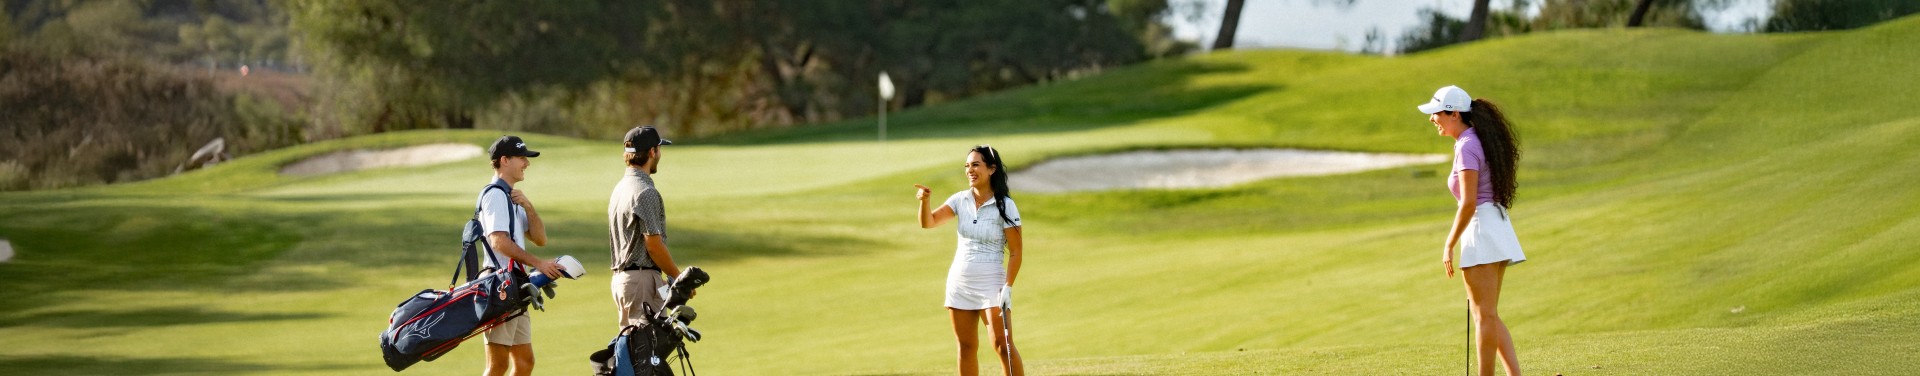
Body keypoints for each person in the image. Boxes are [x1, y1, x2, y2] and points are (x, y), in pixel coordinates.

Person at [1419, 85, 1527, 376]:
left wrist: (1449, 243)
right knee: (1489, 314)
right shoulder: (1475, 140)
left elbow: (1467, 203)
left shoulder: (1467, 145)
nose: (1432, 119)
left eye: (1437, 113)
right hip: (1495, 226)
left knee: (1483, 316)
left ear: (1454, 114)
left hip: (1481, 229)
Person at [913, 145, 1025, 376]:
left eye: (976, 165)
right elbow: (928, 222)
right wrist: (925, 201)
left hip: (991, 284)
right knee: (965, 348)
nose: (970, 170)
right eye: (967, 166)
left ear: (992, 169)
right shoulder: (959, 199)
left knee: (1002, 346)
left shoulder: (1005, 205)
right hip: (960, 282)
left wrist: (1008, 287)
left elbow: (1016, 251)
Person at [477, 135, 566, 376]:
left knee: (525, 362)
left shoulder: (513, 197)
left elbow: (540, 239)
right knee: (497, 366)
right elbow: (498, 241)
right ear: (504, 161)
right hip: (500, 287)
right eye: (521, 158)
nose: (526, 163)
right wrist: (539, 264)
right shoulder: (495, 195)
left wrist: (528, 206)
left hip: (516, 287)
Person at [608, 125, 685, 329]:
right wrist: (679, 278)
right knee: (648, 354)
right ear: (652, 152)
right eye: (659, 149)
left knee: (635, 352)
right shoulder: (645, 191)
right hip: (641, 281)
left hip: (623, 281)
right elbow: (653, 245)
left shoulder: (620, 188)